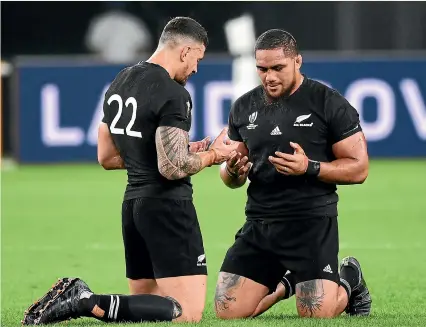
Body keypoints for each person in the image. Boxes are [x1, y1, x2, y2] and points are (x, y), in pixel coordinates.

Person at [22, 17, 238, 325]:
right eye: (197, 59)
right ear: (185, 50)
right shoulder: (174, 94)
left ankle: (84, 301)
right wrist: (215, 154)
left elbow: (107, 156)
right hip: (168, 208)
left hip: (134, 207)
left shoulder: (121, 81)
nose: (195, 69)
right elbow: (173, 167)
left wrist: (192, 150)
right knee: (186, 312)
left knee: (142, 309)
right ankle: (85, 300)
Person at [214, 29, 372, 319]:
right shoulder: (244, 107)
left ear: (297, 61)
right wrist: (233, 171)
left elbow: (359, 168)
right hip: (260, 224)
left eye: (278, 68)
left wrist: (310, 167)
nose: (269, 76)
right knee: (228, 311)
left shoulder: (328, 102)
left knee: (315, 315)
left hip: (310, 224)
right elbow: (229, 175)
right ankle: (291, 282)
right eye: (262, 69)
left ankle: (349, 279)